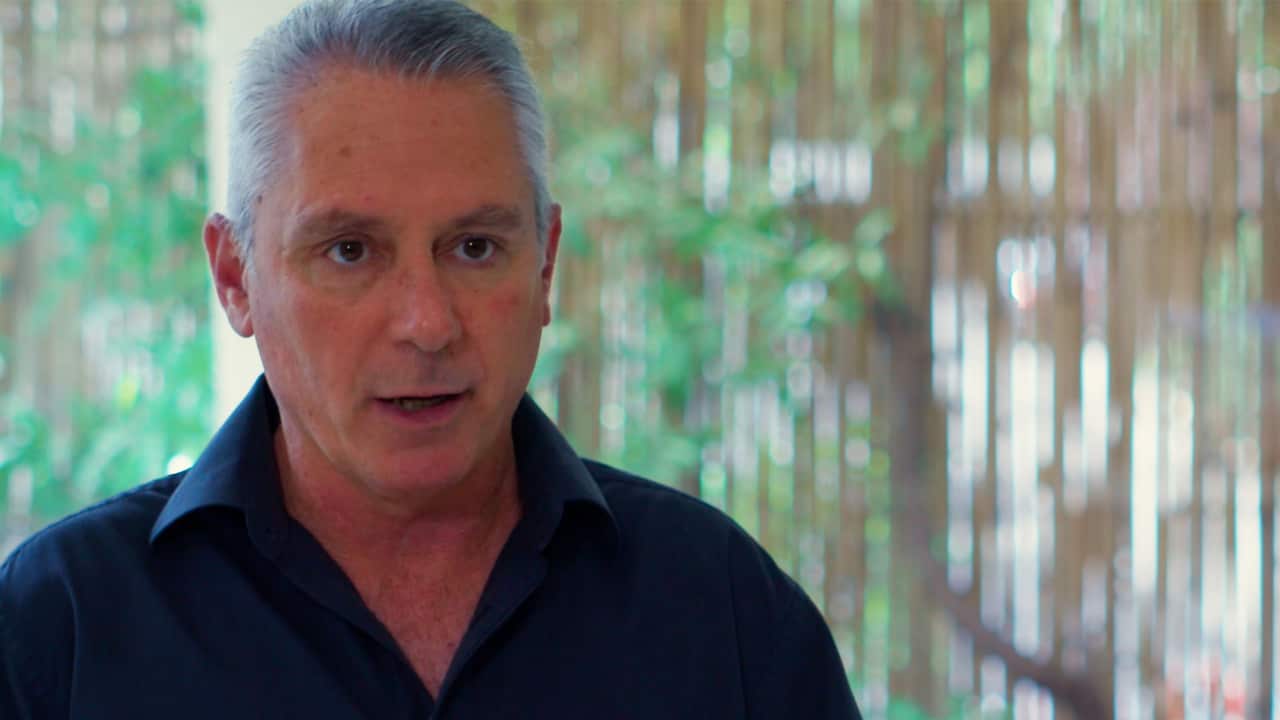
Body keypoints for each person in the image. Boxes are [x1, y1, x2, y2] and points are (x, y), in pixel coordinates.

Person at [0, 1, 862, 717]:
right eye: (349, 251)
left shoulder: (723, 614)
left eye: (476, 247)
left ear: (547, 262)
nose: (426, 323)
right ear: (236, 279)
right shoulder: (60, 630)